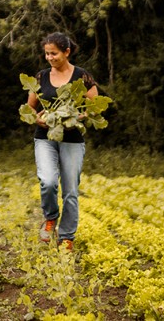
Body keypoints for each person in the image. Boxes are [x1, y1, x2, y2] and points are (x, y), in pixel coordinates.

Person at [25, 32, 99, 252]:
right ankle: (50, 218)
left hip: (72, 139)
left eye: (54, 53)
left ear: (67, 52)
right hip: (45, 137)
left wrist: (78, 117)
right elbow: (29, 107)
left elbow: (94, 107)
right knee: (47, 182)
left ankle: (66, 237)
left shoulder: (82, 77)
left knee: (70, 191)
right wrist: (37, 118)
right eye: (47, 53)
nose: (50, 57)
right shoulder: (40, 77)